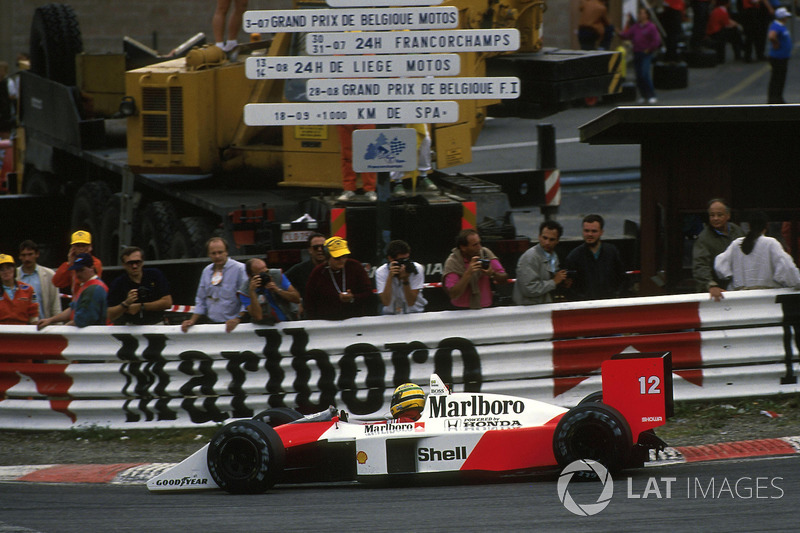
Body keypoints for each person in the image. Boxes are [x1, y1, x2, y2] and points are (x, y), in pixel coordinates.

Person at [714, 211, 800, 290]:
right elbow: (788, 268)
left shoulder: (736, 244)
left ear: (749, 225)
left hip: (740, 296)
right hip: (766, 299)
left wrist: (729, 276)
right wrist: (796, 283)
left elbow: (719, 265)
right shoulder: (770, 243)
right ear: (767, 225)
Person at [181, 237, 248, 333]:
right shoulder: (206, 271)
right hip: (212, 325)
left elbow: (247, 297)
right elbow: (201, 299)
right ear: (208, 254)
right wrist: (192, 321)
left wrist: (238, 319)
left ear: (227, 252)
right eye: (213, 253)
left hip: (235, 326)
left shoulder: (240, 269)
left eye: (220, 252)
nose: (217, 256)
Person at [304, 236, 374, 320]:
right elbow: (309, 301)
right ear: (327, 256)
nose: (342, 260)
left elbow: (368, 293)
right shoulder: (318, 272)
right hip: (326, 322)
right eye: (337, 257)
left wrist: (352, 297)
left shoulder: (355, 266)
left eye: (344, 256)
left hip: (354, 320)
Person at [692, 198, 746, 301]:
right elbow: (700, 266)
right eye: (712, 215)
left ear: (728, 216)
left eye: (719, 215)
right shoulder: (703, 238)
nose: (715, 218)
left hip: (737, 288)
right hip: (715, 291)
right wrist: (711, 285)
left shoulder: (737, 231)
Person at [564, 214, 627, 300]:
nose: (589, 234)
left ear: (601, 232)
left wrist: (616, 295)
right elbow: (569, 287)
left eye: (594, 231)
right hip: (585, 306)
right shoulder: (574, 256)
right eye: (586, 231)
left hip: (609, 303)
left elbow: (622, 277)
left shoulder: (612, 252)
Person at [442, 229, 509, 309]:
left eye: (479, 243)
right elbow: (453, 294)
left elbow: (504, 279)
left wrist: (492, 273)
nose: (479, 247)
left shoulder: (485, 253)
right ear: (463, 247)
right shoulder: (453, 261)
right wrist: (468, 274)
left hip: (486, 307)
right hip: (461, 310)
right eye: (475, 245)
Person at [37, 253, 108, 328]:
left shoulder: (94, 288)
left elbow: (83, 320)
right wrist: (50, 320)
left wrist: (64, 328)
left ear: (92, 268)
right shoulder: (86, 285)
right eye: (76, 271)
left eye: (81, 270)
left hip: (95, 336)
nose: (78, 274)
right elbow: (73, 309)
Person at [106, 247, 173, 325]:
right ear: (124, 265)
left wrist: (141, 307)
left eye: (137, 262)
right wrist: (125, 304)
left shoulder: (155, 275)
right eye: (130, 263)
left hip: (157, 324)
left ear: (142, 262)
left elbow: (168, 303)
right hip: (131, 326)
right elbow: (109, 315)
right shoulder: (118, 283)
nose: (134, 266)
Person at [513, 220, 570, 305]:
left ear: (557, 241)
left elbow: (549, 280)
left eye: (552, 239)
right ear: (539, 237)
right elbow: (529, 289)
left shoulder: (554, 256)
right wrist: (554, 282)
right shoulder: (530, 257)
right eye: (545, 238)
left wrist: (561, 282)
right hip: (527, 309)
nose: (547, 242)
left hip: (543, 306)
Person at [618, 8, 661, 104]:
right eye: (639, 13)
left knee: (644, 73)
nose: (640, 15)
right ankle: (643, 95)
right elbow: (627, 35)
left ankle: (651, 95)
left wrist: (649, 49)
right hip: (637, 52)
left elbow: (656, 41)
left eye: (642, 13)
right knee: (638, 76)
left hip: (646, 53)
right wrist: (620, 33)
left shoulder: (651, 27)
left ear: (647, 15)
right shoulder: (636, 27)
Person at [239, 257, 300, 324]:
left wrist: (278, 290)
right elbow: (257, 316)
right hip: (267, 326)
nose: (266, 276)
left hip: (289, 320)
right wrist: (252, 292)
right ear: (250, 275)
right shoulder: (244, 291)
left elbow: (297, 299)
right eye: (261, 274)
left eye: (266, 272)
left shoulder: (277, 275)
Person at [375, 240, 427, 315]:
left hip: (414, 312)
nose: (404, 264)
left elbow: (411, 302)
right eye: (401, 261)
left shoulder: (417, 268)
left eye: (407, 260)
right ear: (390, 259)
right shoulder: (381, 272)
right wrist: (390, 277)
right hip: (391, 314)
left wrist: (405, 280)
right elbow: (386, 302)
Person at [286, 232, 327, 318]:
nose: (320, 250)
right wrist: (297, 301)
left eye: (323, 247)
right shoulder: (299, 269)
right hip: (310, 315)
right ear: (310, 250)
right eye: (316, 247)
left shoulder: (334, 266)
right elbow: (282, 281)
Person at [389, 124, 437, 196]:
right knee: (397, 144)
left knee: (425, 140)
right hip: (396, 119)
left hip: (414, 119)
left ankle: (423, 176)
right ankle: (398, 183)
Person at [52, 230, 103, 298]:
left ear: (90, 247)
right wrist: (69, 263)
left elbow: (83, 283)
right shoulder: (72, 263)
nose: (81, 248)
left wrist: (83, 259)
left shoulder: (95, 263)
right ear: (72, 247)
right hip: (76, 303)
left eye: (84, 245)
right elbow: (57, 282)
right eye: (78, 246)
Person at [17, 240, 60, 319]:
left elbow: (55, 305)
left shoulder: (49, 275)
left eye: (30, 254)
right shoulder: (14, 275)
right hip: (21, 327)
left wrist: (58, 328)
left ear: (37, 254)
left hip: (43, 326)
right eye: (23, 255)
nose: (27, 258)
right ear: (19, 256)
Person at [336, 125, 377, 202]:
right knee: (347, 153)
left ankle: (370, 189)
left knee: (368, 153)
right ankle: (348, 188)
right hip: (345, 118)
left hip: (366, 118)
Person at [0, 254, 38, 325]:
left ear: (14, 269)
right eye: (1, 269)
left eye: (8, 268)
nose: (5, 271)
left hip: (23, 331)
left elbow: (33, 317)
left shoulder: (28, 289)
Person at [767, 7, 792, 104]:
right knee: (777, 78)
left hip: (783, 57)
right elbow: (771, 36)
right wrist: (776, 43)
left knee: (781, 79)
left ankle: (778, 97)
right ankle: (774, 99)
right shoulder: (776, 26)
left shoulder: (781, 25)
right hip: (778, 57)